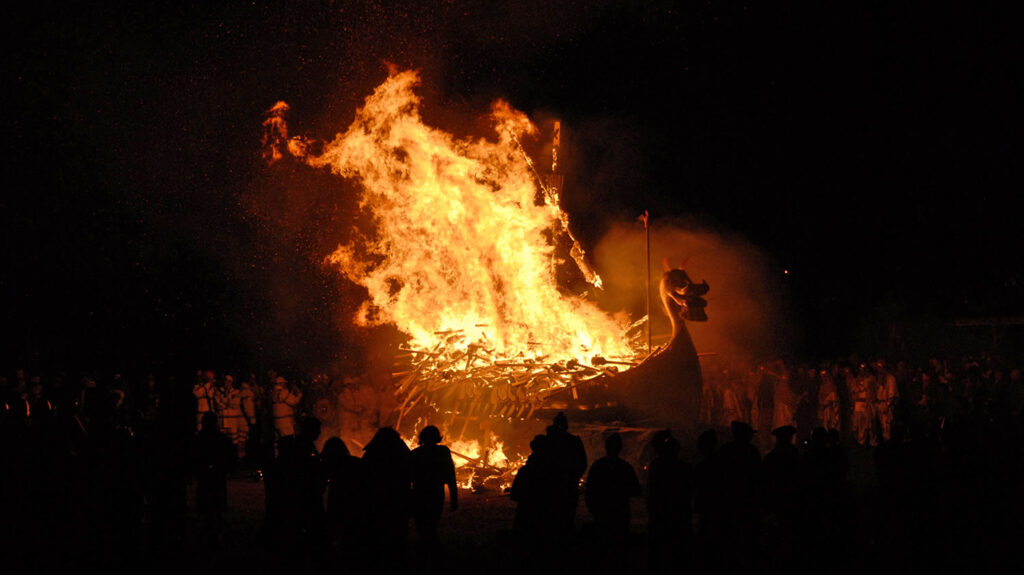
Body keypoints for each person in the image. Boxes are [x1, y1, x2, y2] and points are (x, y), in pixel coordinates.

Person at [646, 429, 693, 575]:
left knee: (661, 550)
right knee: (677, 551)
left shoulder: (656, 466)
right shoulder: (684, 467)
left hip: (662, 515)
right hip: (679, 515)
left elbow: (651, 490)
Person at [191, 411, 236, 549]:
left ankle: (212, 527)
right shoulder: (218, 439)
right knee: (213, 502)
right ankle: (213, 527)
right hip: (214, 476)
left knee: (211, 503)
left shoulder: (201, 439)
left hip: (210, 475)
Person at [408, 425, 458, 550]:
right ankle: (432, 550)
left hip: (419, 494)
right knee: (432, 523)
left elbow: (407, 477)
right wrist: (454, 498)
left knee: (422, 525)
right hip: (436, 493)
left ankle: (426, 551)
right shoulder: (443, 451)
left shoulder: (415, 454)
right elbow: (451, 476)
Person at [546, 411, 588, 541]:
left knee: (553, 514)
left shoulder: (549, 442)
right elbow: (583, 462)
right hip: (566, 484)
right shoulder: (573, 441)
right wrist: (574, 478)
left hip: (555, 485)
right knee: (566, 514)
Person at [272, 376, 302, 446]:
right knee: (288, 442)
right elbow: (294, 401)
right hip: (286, 424)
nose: (285, 385)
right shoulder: (283, 392)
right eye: (284, 383)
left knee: (280, 442)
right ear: (281, 383)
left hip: (277, 422)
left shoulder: (273, 393)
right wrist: (299, 394)